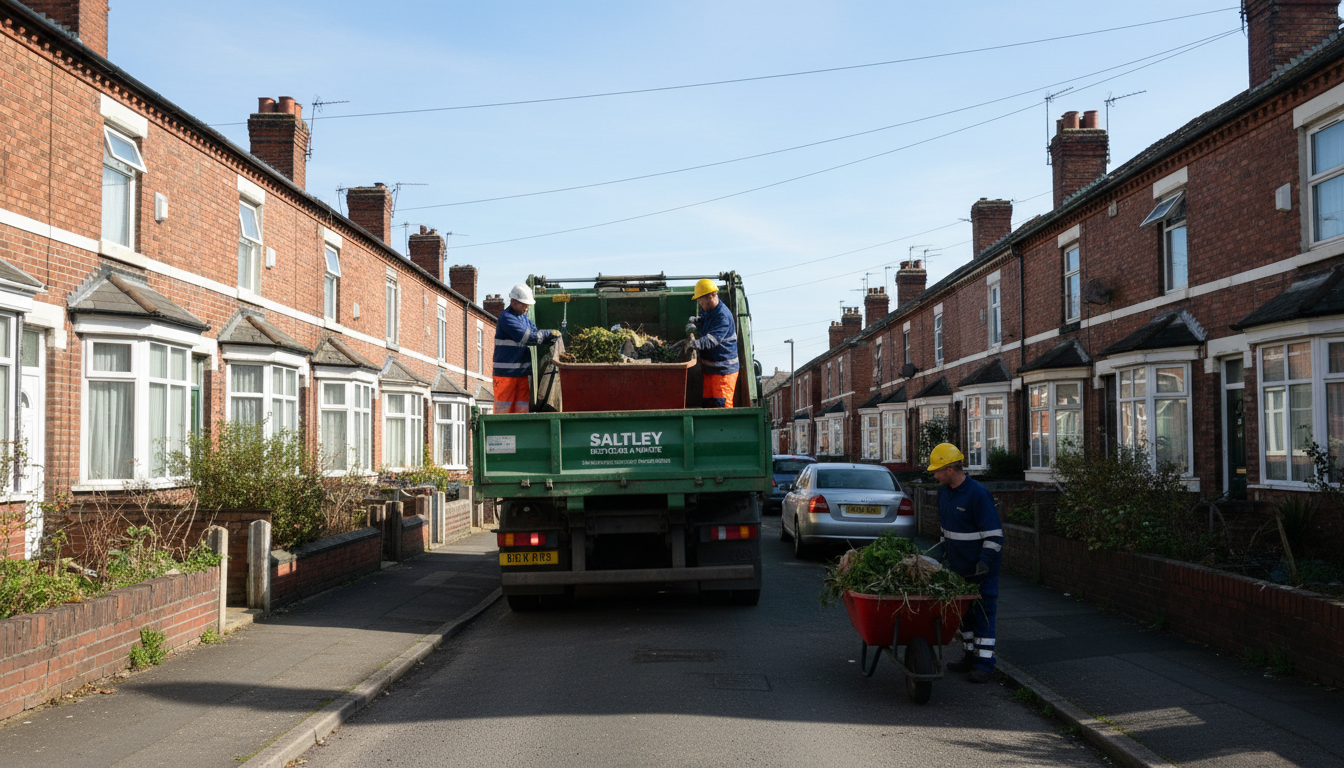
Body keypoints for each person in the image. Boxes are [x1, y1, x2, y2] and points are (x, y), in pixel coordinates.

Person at [927, 442, 1003, 684]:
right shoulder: (944, 493)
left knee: (983, 616)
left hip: (981, 571)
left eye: (937, 471)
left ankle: (984, 664)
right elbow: (946, 532)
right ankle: (970, 656)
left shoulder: (978, 494)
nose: (934, 475)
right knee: (965, 617)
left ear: (950, 469)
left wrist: (984, 562)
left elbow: (994, 535)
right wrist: (940, 557)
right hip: (958, 569)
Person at [492, 284, 558, 414]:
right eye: (524, 304)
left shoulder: (524, 318)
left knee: (521, 410)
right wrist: (549, 333)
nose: (526, 308)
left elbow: (536, 336)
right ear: (513, 302)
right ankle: (501, 432)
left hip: (521, 374)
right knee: (504, 412)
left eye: (528, 305)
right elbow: (528, 337)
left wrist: (549, 338)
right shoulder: (507, 318)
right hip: (506, 375)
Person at [680, 278, 740, 408]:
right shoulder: (709, 310)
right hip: (711, 369)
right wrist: (695, 322)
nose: (699, 303)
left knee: (722, 406)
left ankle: (725, 428)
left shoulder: (722, 316)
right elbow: (705, 322)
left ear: (711, 297)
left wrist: (694, 344)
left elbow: (712, 339)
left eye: (701, 300)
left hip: (723, 370)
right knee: (709, 404)